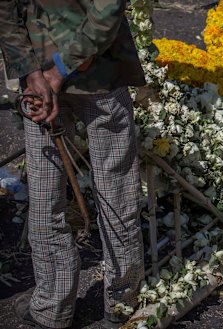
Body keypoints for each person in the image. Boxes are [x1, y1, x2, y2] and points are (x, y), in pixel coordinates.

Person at [0, 0, 146, 328]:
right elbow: (108, 8)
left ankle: (55, 305)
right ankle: (120, 302)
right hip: (97, 76)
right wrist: (53, 71)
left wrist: (37, 72)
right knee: (113, 189)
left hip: (49, 77)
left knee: (45, 193)